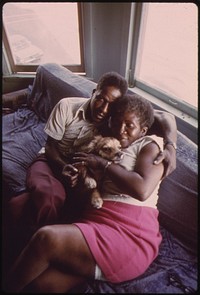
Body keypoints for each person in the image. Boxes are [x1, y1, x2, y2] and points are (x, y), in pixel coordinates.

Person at [5, 93, 168, 293]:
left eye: (129, 126)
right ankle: (92, 271)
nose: (120, 130)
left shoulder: (150, 146)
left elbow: (142, 190)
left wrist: (104, 164)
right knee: (39, 284)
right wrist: (79, 179)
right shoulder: (105, 142)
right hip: (95, 220)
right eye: (117, 122)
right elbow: (91, 189)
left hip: (128, 232)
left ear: (143, 130)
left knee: (45, 238)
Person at [8, 71, 176, 229]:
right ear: (94, 92)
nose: (103, 109)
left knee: (73, 208)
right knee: (51, 196)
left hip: (81, 172)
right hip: (51, 160)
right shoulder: (66, 106)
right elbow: (50, 147)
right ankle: (41, 238)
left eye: (111, 105)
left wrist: (171, 147)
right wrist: (64, 167)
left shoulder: (116, 122)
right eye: (101, 99)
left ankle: (24, 205)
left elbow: (166, 116)